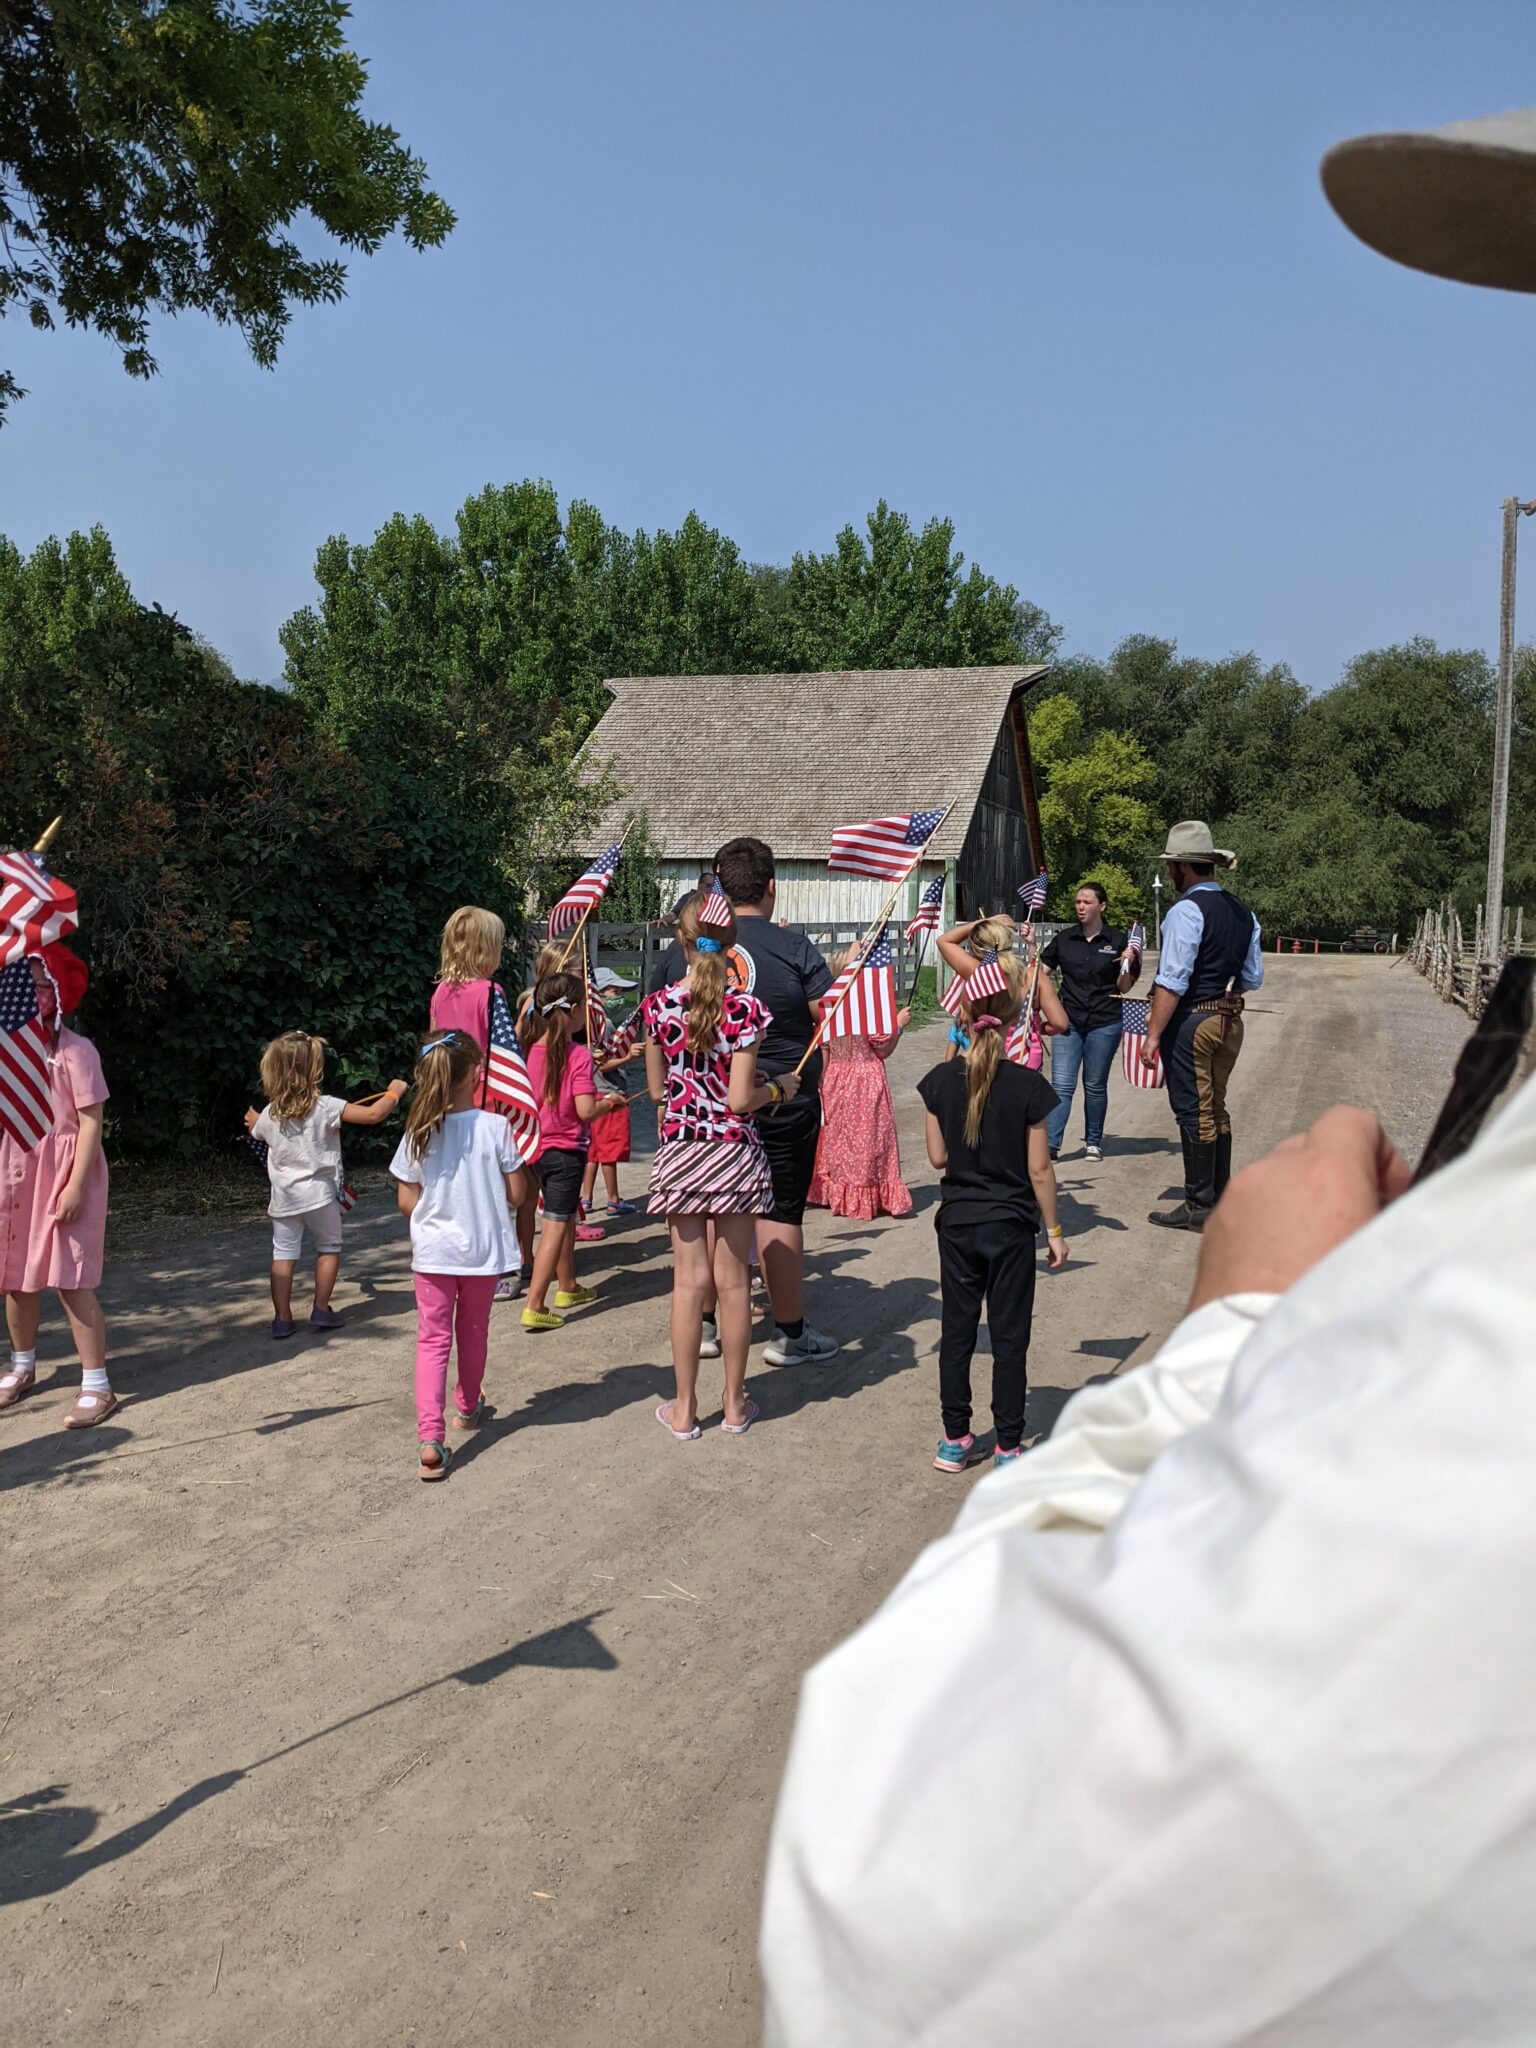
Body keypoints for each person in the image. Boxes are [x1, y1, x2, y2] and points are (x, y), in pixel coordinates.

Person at [652, 837, 839, 1367]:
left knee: (704, 1217)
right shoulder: (795, 947)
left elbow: (654, 1034)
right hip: (778, 1097)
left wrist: (665, 1101)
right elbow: (825, 1013)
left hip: (696, 1116)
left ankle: (706, 1326)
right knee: (781, 1213)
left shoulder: (682, 952)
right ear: (771, 887)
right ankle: (789, 1332)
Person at [641, 891, 789, 1438]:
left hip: (681, 1151)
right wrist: (778, 1088)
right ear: (733, 948)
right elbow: (738, 1099)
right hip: (733, 1154)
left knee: (688, 1285)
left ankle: (683, 1409)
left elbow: (657, 1091)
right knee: (733, 1285)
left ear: (682, 942)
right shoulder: (745, 1009)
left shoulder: (657, 1008)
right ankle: (733, 1403)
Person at [915, 976, 1066, 1473]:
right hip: (1010, 1224)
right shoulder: (1027, 1086)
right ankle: (1007, 1445)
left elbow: (937, 1158)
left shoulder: (938, 1082)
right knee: (1009, 1335)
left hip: (958, 1222)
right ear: (1011, 1020)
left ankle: (955, 1438)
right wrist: (1056, 1231)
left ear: (963, 1021)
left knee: (957, 1332)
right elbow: (1039, 1169)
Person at [388, 1030, 530, 1481]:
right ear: (476, 1074)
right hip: (481, 1255)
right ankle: (468, 1406)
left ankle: (430, 1440)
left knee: (432, 1341)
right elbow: (517, 1194)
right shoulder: (497, 1127)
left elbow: (406, 1201)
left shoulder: (418, 1130)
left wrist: (436, 1205)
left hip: (432, 1254)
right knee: (473, 1333)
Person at [0, 946, 117, 1429]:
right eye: (22, 987)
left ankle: (97, 1385)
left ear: (58, 993)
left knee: (71, 1278)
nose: (31, 996)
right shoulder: (8, 1053)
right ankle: (22, 1365)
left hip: (68, 1173)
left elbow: (91, 1123)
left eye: (40, 987)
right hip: (15, 1170)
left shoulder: (76, 1050)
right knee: (14, 1278)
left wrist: (73, 1185)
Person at [1140, 822, 1263, 1230]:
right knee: (1216, 1108)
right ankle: (1219, 1196)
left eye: (1173, 867)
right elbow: (1252, 976)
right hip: (1229, 1018)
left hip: (1195, 1021)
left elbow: (1172, 981)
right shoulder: (1243, 912)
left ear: (1183, 868)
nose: (1172, 874)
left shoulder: (1185, 911)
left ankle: (1198, 1204)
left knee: (1194, 1110)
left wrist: (1153, 1035)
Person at [244, 1031, 406, 1339]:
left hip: (284, 1200)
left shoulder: (269, 1114)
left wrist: (254, 1121)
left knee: (283, 1254)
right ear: (313, 1069)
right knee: (329, 1249)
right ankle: (320, 1308)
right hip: (320, 1197)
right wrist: (394, 1092)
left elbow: (256, 1131)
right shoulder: (327, 1107)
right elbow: (373, 1114)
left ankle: (282, 1318)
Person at [516, 970, 625, 1331]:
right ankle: (535, 1303)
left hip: (536, 1148)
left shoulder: (531, 1050)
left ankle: (568, 1286)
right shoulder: (577, 1055)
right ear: (576, 1010)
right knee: (556, 1227)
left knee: (562, 1219)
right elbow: (584, 1110)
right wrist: (609, 1102)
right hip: (565, 1151)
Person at [429, 904, 526, 1297]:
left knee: (453, 1181)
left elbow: (434, 1044)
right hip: (486, 1099)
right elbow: (505, 1052)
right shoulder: (491, 992)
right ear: (487, 949)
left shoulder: (439, 993)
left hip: (445, 1100)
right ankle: (498, 1267)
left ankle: (456, 1257)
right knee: (493, 1185)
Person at [806, 948, 913, 1219]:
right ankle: (864, 1191)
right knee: (869, 1138)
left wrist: (823, 1080)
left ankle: (836, 1191)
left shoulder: (829, 1007)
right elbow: (882, 1048)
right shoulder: (867, 1007)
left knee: (838, 1137)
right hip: (865, 1077)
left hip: (836, 1076)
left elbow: (824, 1047)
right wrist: (898, 1026)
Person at [1040, 881, 1141, 1160]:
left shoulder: (1118, 941)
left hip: (1104, 1021)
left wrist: (1126, 962)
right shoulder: (1064, 939)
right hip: (1068, 1021)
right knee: (1061, 1084)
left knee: (1095, 1085)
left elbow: (1124, 987)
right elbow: (1040, 973)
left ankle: (1093, 1141)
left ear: (1102, 906)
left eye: (1087, 902)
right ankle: (1051, 1144)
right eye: (1078, 902)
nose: (1081, 907)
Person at [935, 913, 1068, 1061]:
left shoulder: (979, 973)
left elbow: (944, 941)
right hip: (1026, 1056)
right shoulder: (1035, 976)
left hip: (988, 1055)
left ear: (975, 948)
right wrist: (1039, 1028)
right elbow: (1060, 1023)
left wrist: (986, 921)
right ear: (1009, 942)